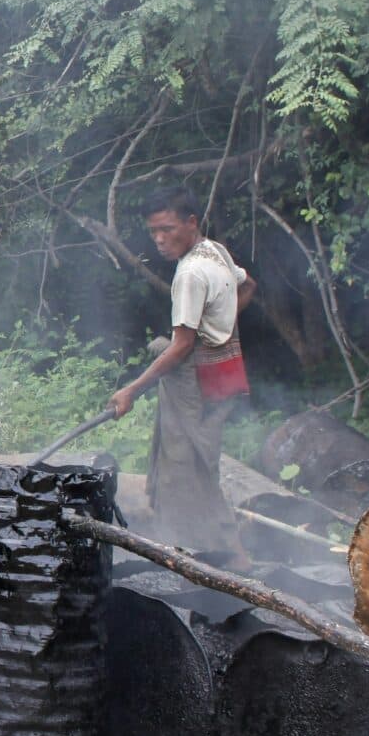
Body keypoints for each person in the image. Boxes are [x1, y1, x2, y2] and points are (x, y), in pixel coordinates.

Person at [107, 188, 256, 562]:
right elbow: (248, 285)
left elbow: (181, 346)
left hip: (195, 384)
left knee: (184, 474)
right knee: (199, 466)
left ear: (191, 222)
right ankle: (216, 551)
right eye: (153, 231)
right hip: (222, 378)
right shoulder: (215, 251)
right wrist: (218, 327)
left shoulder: (189, 273)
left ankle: (201, 555)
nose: (159, 239)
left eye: (167, 229)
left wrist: (131, 390)